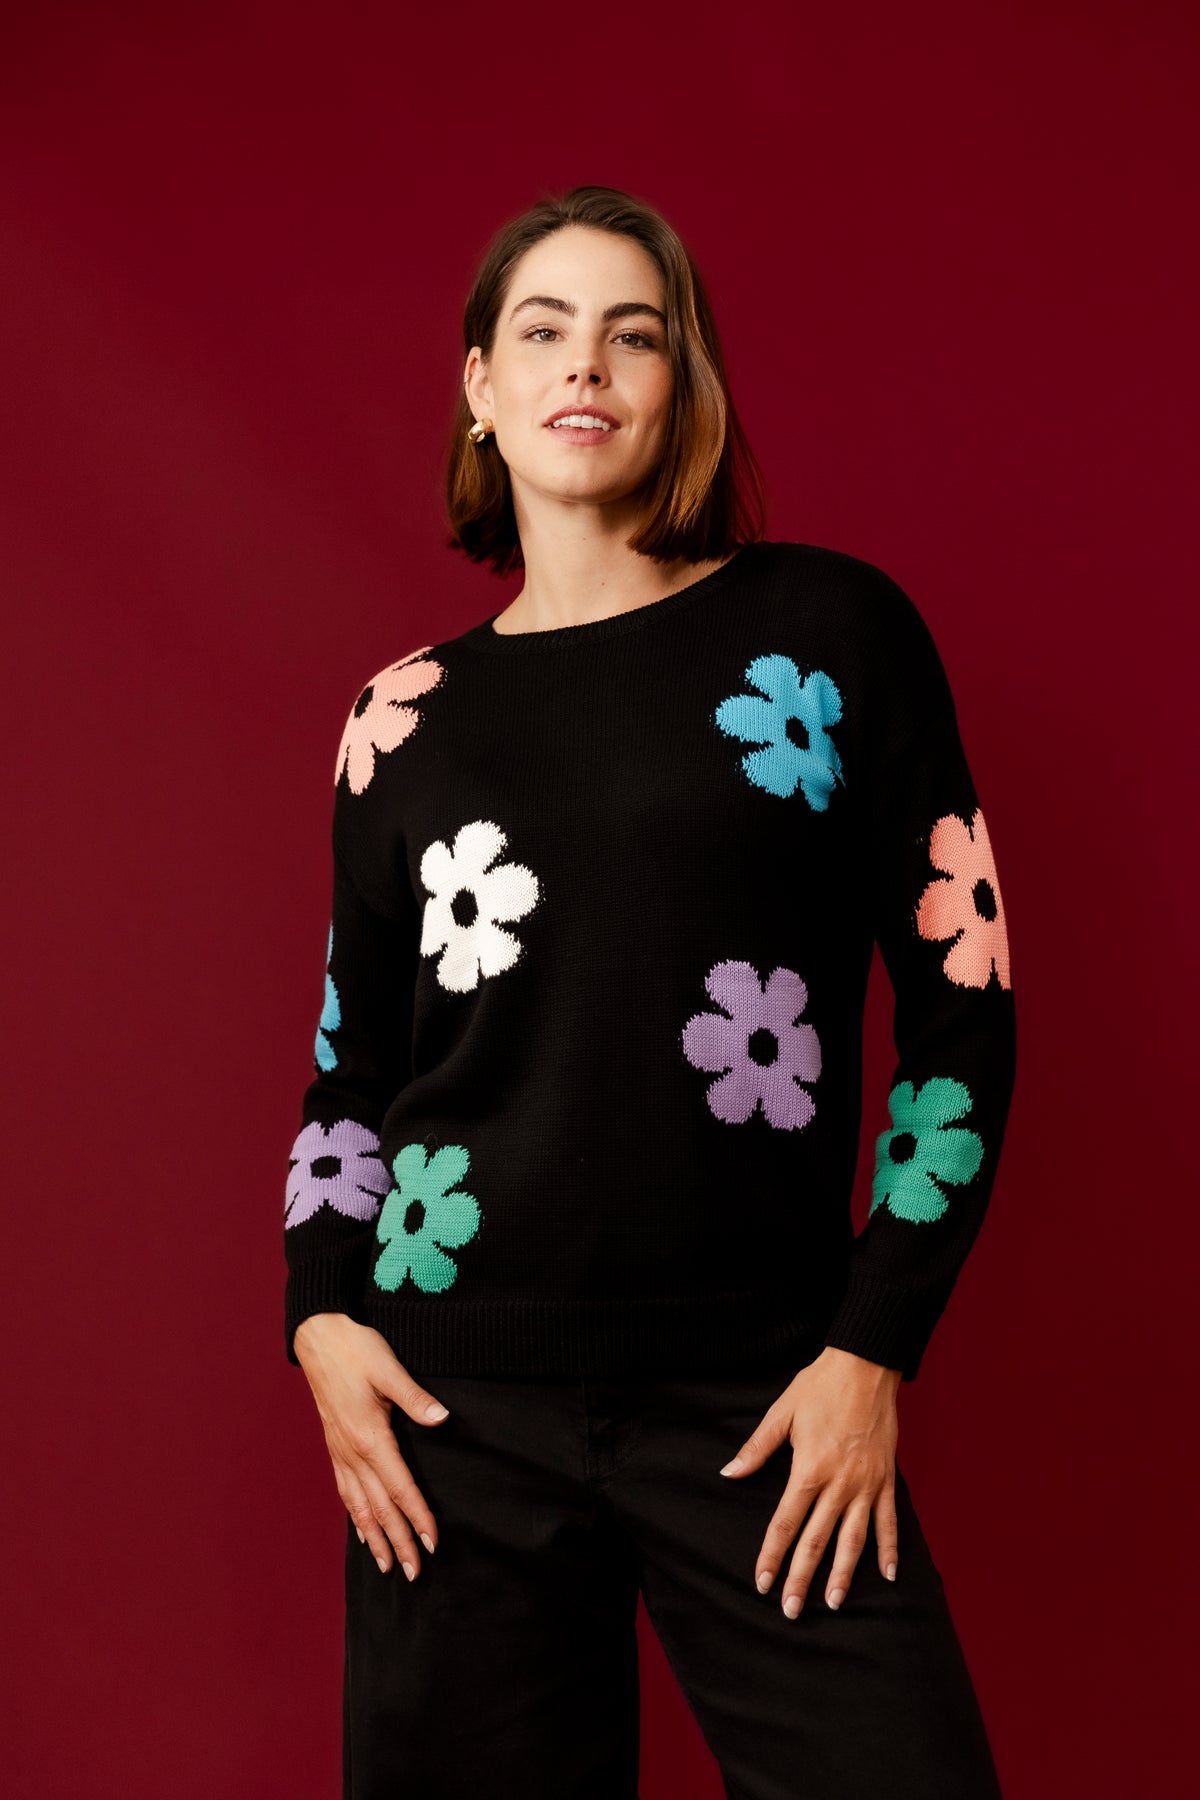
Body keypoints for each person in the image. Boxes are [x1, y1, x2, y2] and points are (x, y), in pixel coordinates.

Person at [283, 184, 1017, 1799]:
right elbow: (353, 1071)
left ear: (683, 382)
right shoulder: (401, 718)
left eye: (636, 334)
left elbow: (963, 1011)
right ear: (481, 386)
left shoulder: (828, 633)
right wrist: (321, 1316)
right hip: (453, 1408)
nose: (586, 366)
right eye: (543, 331)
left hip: (761, 1394)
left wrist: (872, 1349)